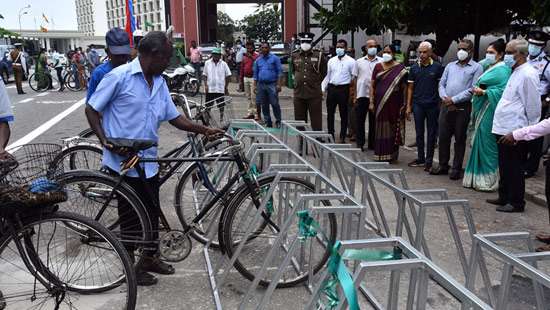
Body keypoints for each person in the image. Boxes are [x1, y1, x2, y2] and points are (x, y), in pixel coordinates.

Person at [86, 31, 224, 286]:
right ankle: (131, 269)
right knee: (130, 218)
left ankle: (148, 257)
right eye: (167, 58)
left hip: (147, 159)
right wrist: (105, 140)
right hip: (123, 161)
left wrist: (203, 129)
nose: (169, 63)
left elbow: (174, 117)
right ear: (152, 55)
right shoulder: (119, 77)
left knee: (150, 210)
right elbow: (92, 109)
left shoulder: (159, 82)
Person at [488, 39, 541, 213]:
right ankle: (504, 196)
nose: (507, 56)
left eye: (511, 52)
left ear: (522, 54)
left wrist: (528, 131)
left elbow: (533, 106)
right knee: (504, 165)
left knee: (515, 166)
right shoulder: (515, 71)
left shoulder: (528, 74)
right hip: (503, 126)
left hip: (516, 129)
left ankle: (516, 201)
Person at [430, 39, 483, 180]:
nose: (461, 51)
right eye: (459, 48)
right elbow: (441, 84)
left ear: (471, 51)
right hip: (445, 105)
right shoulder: (450, 66)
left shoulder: (477, 67)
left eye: (464, 49)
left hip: (462, 107)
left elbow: (473, 89)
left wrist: (454, 100)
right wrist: (445, 98)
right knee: (443, 136)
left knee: (459, 138)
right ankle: (443, 165)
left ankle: (456, 168)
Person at [463, 40, 511, 192]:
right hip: (482, 109)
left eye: (492, 53)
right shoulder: (490, 66)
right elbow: (480, 68)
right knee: (479, 141)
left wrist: (485, 92)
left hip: (491, 110)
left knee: (488, 145)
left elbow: (504, 91)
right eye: (488, 52)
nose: (488, 55)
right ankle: (475, 179)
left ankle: (489, 181)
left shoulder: (503, 69)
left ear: (501, 55)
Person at [406, 41, 444, 171]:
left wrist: (440, 104)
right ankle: (421, 158)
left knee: (432, 134)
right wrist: (408, 106)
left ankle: (429, 162)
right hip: (418, 105)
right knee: (419, 133)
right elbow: (410, 88)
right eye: (420, 52)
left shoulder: (438, 67)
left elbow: (441, 87)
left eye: (424, 52)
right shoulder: (414, 68)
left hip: (433, 105)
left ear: (430, 52)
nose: (422, 54)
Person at [369, 44, 408, 162]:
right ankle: (380, 154)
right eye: (384, 52)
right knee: (381, 127)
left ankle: (392, 156)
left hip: (395, 103)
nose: (386, 54)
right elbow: (372, 85)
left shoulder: (400, 68)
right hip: (380, 103)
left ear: (394, 54)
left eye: (389, 52)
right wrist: (371, 101)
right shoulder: (377, 67)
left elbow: (405, 88)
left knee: (393, 127)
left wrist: (405, 104)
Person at [524, 30, 550, 178]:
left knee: (535, 136)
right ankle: (521, 162)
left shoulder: (546, 64)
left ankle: (531, 167)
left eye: (537, 45)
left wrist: (545, 101)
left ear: (543, 46)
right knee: (521, 132)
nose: (533, 47)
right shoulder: (523, 59)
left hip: (539, 102)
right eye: (531, 43)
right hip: (523, 101)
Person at [290, 32, 327, 131]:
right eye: (303, 41)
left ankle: (317, 140)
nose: (305, 43)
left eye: (307, 41)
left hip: (314, 93)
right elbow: (293, 70)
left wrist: (316, 83)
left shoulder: (319, 55)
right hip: (299, 93)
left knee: (316, 120)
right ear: (300, 42)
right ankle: (301, 142)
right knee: (299, 120)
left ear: (311, 42)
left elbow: (324, 72)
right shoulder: (295, 54)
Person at [323, 39, 357, 142]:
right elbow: (328, 76)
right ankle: (331, 134)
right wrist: (323, 88)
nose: (339, 49)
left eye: (341, 47)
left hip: (344, 89)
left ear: (345, 48)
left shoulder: (351, 61)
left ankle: (342, 136)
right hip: (332, 89)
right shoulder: (331, 61)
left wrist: (352, 92)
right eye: (337, 47)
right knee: (330, 113)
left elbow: (354, 77)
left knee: (344, 114)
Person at [87, 28, 131, 102]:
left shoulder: (134, 71)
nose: (121, 59)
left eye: (124, 55)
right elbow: (90, 105)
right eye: (117, 55)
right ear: (107, 52)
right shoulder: (99, 73)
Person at [355, 39, 381, 151]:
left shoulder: (381, 62)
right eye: (370, 46)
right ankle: (360, 143)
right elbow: (355, 79)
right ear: (366, 48)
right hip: (361, 95)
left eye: (375, 46)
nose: (373, 48)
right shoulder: (359, 62)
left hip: (375, 95)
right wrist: (354, 96)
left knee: (373, 121)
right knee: (360, 120)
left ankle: (372, 144)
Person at [253, 42, 283, 128]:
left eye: (266, 48)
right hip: (261, 85)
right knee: (264, 104)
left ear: (269, 49)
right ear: (260, 49)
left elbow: (279, 72)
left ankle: (278, 121)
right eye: (262, 48)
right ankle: (268, 121)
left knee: (274, 103)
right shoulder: (258, 60)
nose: (264, 49)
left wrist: (279, 84)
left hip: (272, 84)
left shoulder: (275, 58)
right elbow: (255, 74)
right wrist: (255, 86)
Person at [203, 47, 232, 114]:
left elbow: (228, 75)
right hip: (210, 88)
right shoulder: (207, 63)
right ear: (212, 55)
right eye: (214, 54)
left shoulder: (224, 64)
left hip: (220, 88)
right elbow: (204, 75)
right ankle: (207, 118)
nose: (216, 56)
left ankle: (222, 118)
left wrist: (226, 87)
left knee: (221, 105)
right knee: (208, 105)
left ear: (220, 55)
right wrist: (206, 85)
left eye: (217, 54)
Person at [240, 41, 259, 120]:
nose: (249, 49)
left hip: (253, 78)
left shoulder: (257, 56)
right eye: (247, 48)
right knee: (248, 97)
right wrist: (240, 80)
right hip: (245, 78)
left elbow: (258, 64)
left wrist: (251, 56)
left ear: (253, 48)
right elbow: (242, 68)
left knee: (254, 97)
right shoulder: (244, 57)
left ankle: (256, 114)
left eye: (250, 48)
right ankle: (250, 113)